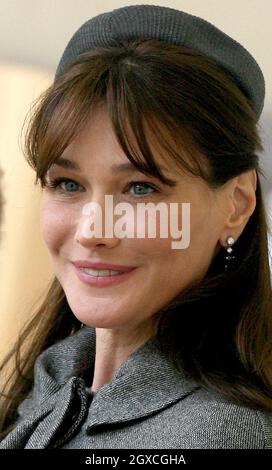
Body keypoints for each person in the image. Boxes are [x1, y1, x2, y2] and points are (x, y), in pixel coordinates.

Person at [0, 4, 272, 449]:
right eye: (68, 183)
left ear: (237, 204)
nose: (92, 230)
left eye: (140, 189)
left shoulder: (218, 436)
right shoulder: (49, 391)